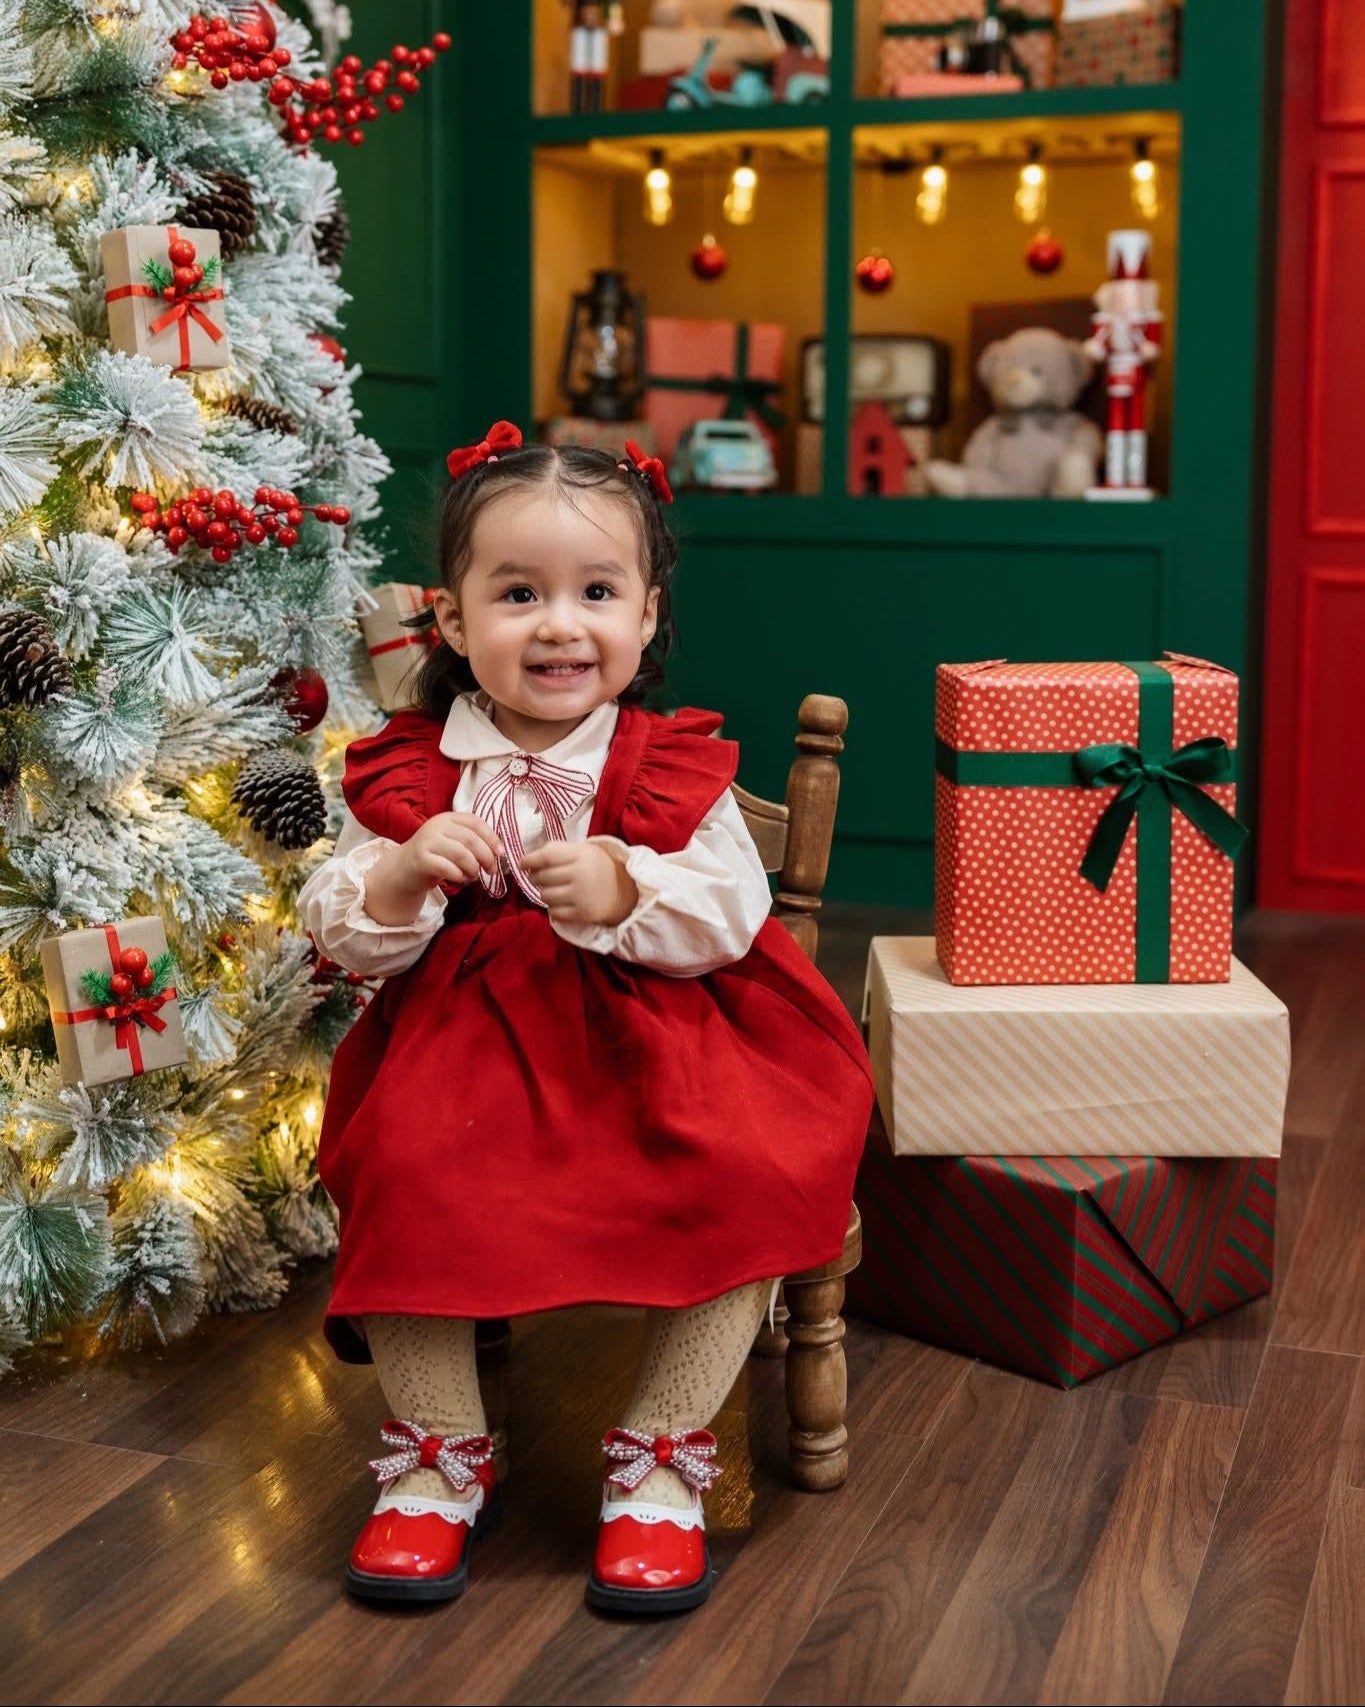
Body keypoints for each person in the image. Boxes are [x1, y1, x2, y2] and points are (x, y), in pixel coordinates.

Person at [297, 421, 874, 1616]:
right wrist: (399, 878)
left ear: (648, 613)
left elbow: (729, 910)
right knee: (403, 1167)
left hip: (660, 1035)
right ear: (453, 621)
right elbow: (337, 917)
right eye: (518, 593)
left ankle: (662, 1459)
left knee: (749, 1174)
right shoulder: (411, 770)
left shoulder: (671, 769)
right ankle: (438, 1455)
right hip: (465, 1049)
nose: (560, 624)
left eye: (596, 591)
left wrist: (628, 889)